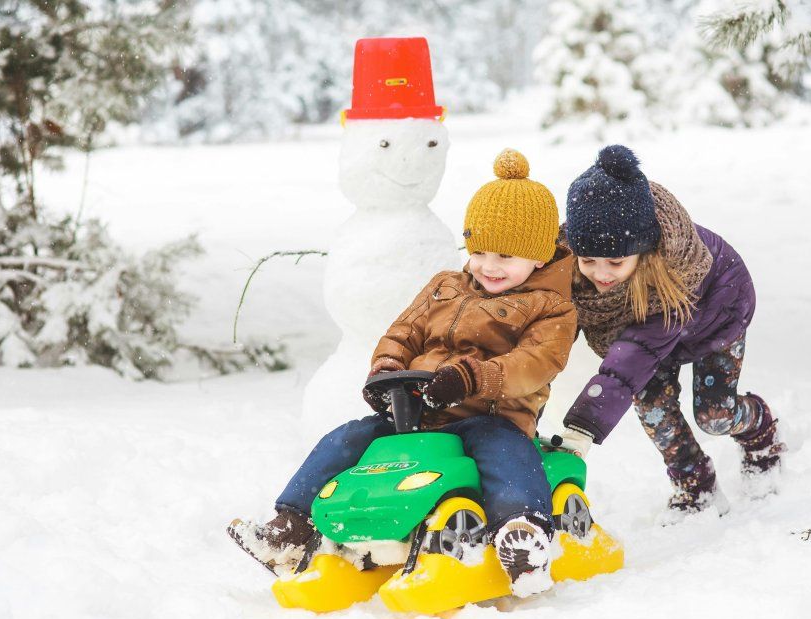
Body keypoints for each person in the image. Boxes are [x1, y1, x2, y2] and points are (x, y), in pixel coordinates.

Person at [230, 149, 577, 595]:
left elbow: (534, 364)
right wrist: (387, 370)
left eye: (506, 256)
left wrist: (474, 378)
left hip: (491, 415)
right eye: (480, 251)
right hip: (416, 411)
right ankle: (291, 527)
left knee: (504, 454)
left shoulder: (552, 309)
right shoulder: (443, 286)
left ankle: (523, 533)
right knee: (347, 438)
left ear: (539, 255)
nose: (490, 266)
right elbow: (404, 332)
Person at [550, 145, 788, 524]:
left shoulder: (670, 276)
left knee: (715, 415)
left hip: (715, 317)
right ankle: (696, 484)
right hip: (649, 335)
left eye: (615, 262)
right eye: (588, 260)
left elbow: (631, 360)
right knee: (652, 404)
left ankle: (760, 429)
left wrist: (583, 427)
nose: (601, 273)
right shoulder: (574, 270)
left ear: (642, 254)